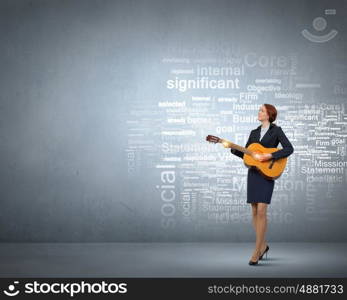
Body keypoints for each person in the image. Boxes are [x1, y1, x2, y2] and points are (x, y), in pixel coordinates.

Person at [225, 104, 294, 265]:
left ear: (269, 114)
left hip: (268, 173)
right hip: (254, 174)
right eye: (259, 110)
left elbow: (289, 149)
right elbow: (247, 155)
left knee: (262, 210)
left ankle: (256, 251)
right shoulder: (254, 133)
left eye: (262, 110)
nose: (259, 112)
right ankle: (263, 246)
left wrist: (269, 155)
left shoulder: (276, 130)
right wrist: (231, 147)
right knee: (255, 211)